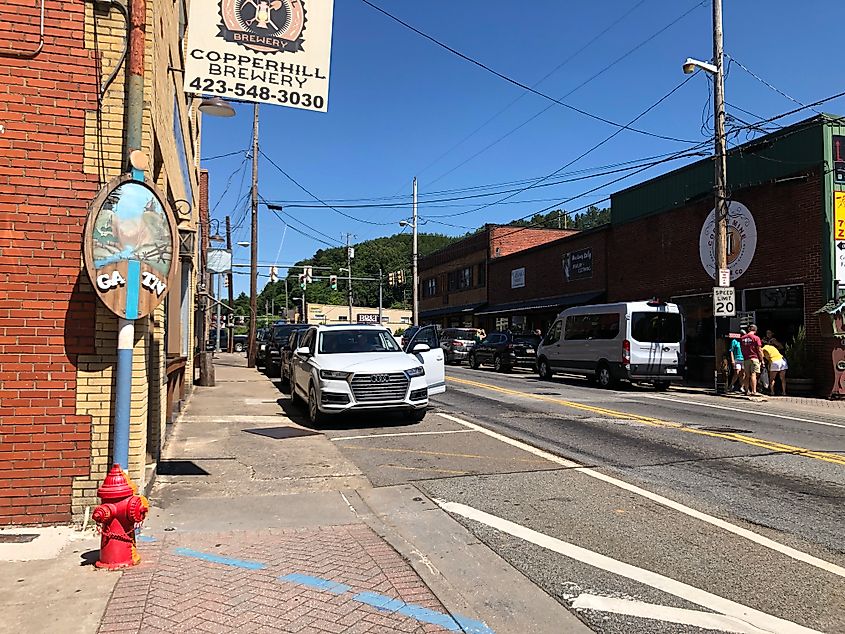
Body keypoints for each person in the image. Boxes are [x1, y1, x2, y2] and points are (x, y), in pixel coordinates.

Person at [740, 324, 764, 397]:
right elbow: (759, 350)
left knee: (747, 375)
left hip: (746, 358)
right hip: (754, 358)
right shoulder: (756, 338)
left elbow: (741, 348)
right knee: (753, 374)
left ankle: (747, 390)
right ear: (755, 330)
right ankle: (754, 391)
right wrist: (761, 359)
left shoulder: (742, 338)